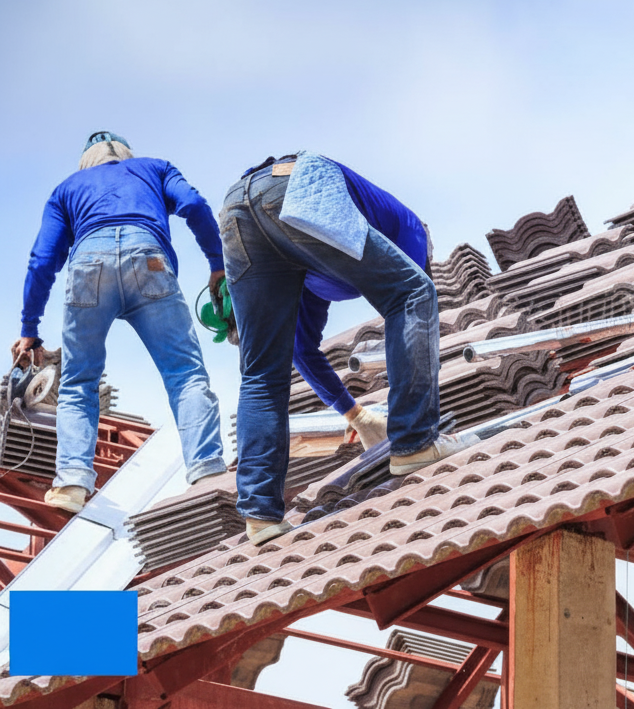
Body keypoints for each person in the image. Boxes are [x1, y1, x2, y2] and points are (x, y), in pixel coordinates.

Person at [219, 152, 475, 546]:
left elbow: (300, 351)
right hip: (297, 181)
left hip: (239, 206)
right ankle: (416, 444)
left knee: (261, 371)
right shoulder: (412, 230)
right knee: (414, 292)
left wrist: (357, 415)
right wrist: (406, 418)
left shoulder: (312, 264)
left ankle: (260, 515)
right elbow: (409, 298)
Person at [12, 132, 228, 514]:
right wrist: (217, 263)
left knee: (79, 382)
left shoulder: (67, 188)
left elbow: (43, 261)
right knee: (185, 374)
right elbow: (193, 203)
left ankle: (72, 484)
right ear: (126, 155)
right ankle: (207, 471)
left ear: (86, 162)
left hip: (88, 267)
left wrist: (30, 329)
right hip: (150, 261)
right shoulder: (155, 168)